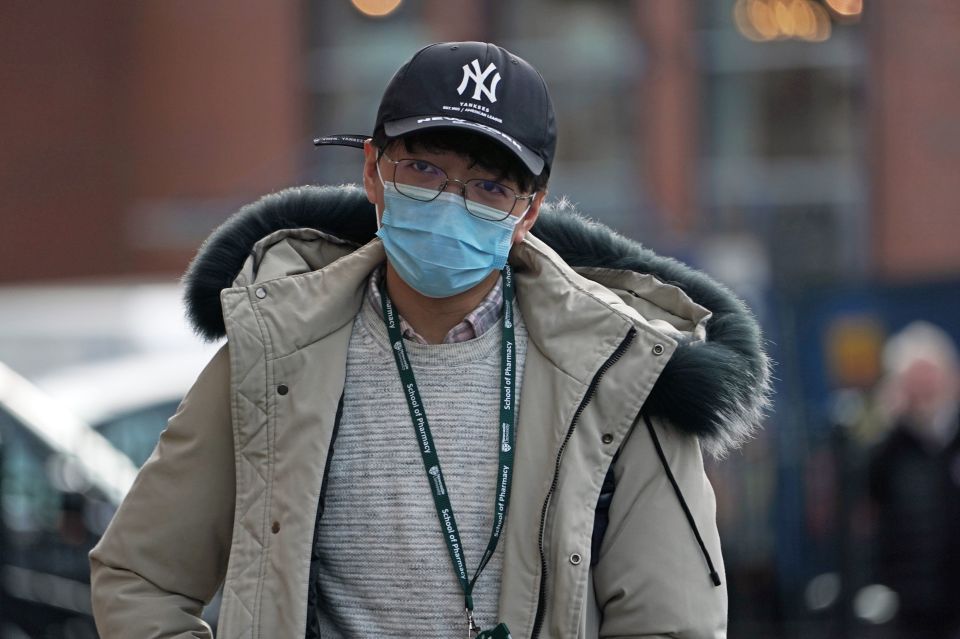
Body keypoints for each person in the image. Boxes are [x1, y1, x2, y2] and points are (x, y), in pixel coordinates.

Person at [89, 41, 771, 638]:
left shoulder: (619, 373)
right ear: (372, 172)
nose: (451, 202)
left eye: (488, 186)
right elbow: (140, 573)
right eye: (423, 170)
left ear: (529, 210)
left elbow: (673, 622)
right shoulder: (275, 352)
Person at [867, 321, 960, 639]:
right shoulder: (891, 449)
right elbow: (864, 494)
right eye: (914, 381)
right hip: (912, 600)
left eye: (930, 377)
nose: (924, 390)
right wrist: (886, 421)